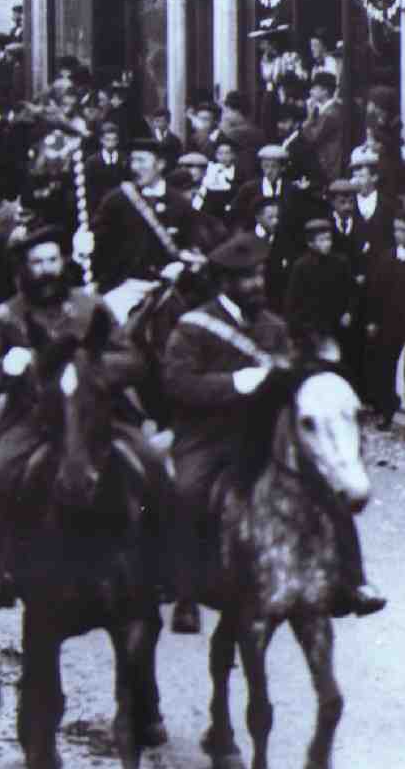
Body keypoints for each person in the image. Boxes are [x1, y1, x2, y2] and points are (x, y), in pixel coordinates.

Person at [163, 231, 385, 633]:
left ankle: (352, 580)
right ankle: (185, 592)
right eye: (246, 278)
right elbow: (177, 383)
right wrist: (235, 383)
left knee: (325, 480)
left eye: (259, 275)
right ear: (225, 282)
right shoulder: (193, 327)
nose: (256, 284)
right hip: (209, 436)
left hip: (264, 432)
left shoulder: (274, 327)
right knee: (188, 492)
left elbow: (289, 379)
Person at [0, 225, 152, 607]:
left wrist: (93, 369)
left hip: (95, 415)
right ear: (23, 269)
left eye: (52, 260)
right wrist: (6, 367)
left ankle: (158, 568)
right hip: (34, 420)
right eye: (37, 262)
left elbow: (133, 360)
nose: (46, 270)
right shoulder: (6, 319)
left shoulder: (91, 307)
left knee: (152, 464)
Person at [92, 137, 206, 294]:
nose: (135, 167)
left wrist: (181, 267)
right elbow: (100, 244)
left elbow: (192, 245)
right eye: (133, 161)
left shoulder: (180, 203)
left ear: (160, 164)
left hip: (168, 289)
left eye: (141, 161)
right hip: (124, 287)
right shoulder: (117, 200)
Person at [284, 218, 356, 360]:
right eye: (322, 240)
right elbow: (293, 300)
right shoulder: (301, 266)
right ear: (311, 243)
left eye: (328, 239)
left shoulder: (340, 262)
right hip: (313, 328)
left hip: (338, 325)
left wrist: (349, 312)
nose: (327, 244)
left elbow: (352, 291)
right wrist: (302, 327)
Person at [365, 207, 405, 430]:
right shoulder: (386, 258)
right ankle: (387, 410)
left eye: (403, 230)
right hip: (390, 321)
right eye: (397, 230)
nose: (399, 234)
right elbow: (375, 292)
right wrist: (373, 321)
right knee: (386, 365)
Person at [302, 71, 343, 183]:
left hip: (328, 166)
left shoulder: (330, 113)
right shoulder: (329, 110)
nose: (311, 92)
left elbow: (313, 138)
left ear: (325, 91)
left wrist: (309, 118)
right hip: (327, 164)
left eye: (315, 88)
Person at [84, 121, 126, 222]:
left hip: (120, 209)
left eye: (114, 140)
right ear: (101, 140)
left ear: (118, 141)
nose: (110, 144)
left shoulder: (124, 159)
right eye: (107, 140)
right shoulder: (92, 162)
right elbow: (89, 190)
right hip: (98, 209)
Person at [148, 107, 183, 174]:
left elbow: (177, 159)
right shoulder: (149, 138)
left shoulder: (175, 140)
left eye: (162, 121)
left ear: (168, 122)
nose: (159, 124)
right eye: (156, 121)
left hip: (169, 173)